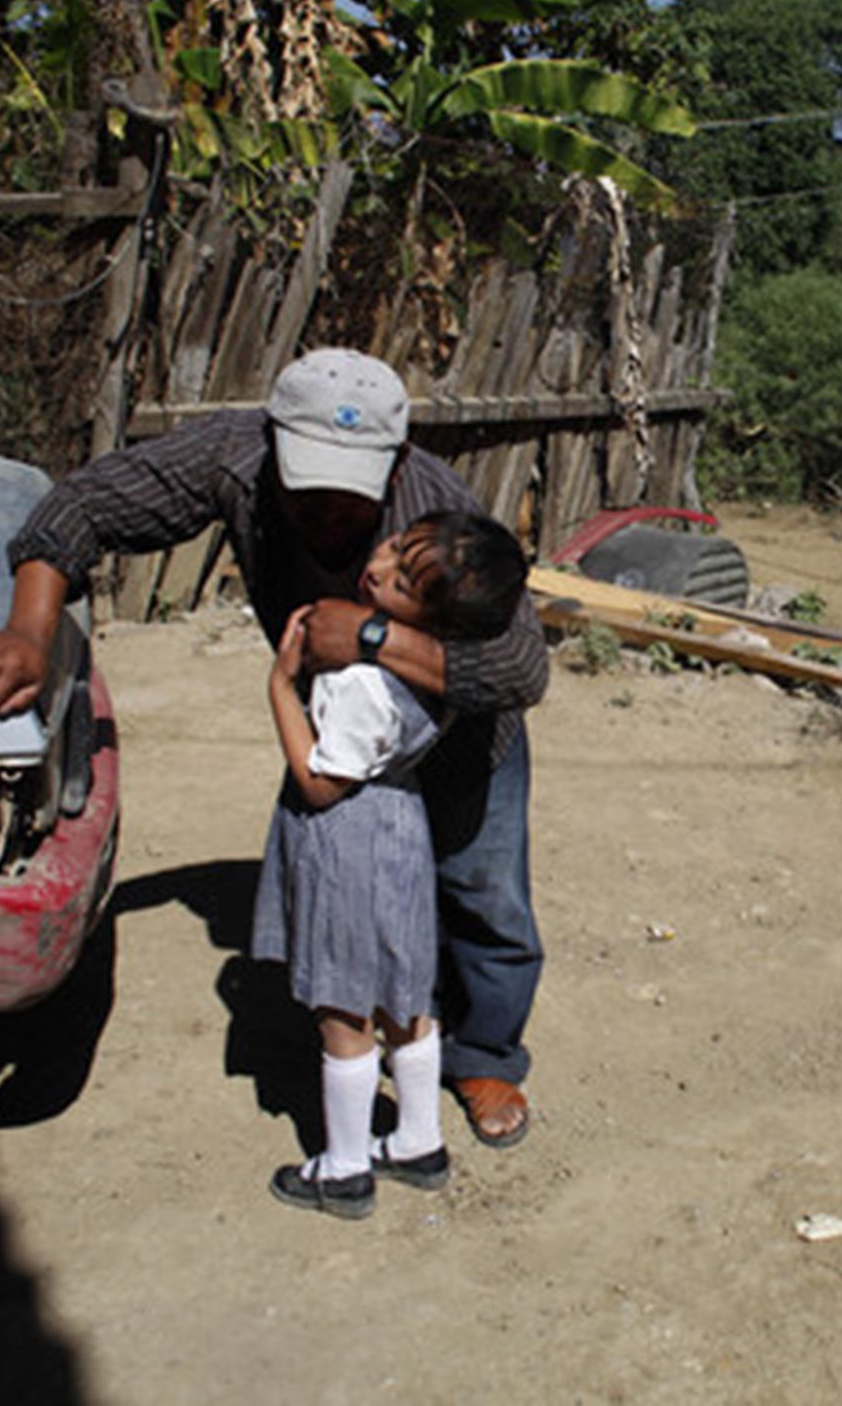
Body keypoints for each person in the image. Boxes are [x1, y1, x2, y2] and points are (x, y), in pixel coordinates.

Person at [0, 349, 548, 1148]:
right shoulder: (234, 456)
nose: (329, 517)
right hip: (343, 737)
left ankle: (486, 1053)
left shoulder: (434, 504)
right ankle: (365, 1031)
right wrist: (29, 632)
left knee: (480, 890)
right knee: (362, 890)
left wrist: (371, 635)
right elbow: (80, 509)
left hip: (461, 731)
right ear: (272, 444)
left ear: (395, 466)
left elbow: (521, 665)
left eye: (349, 499)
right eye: (310, 491)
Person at [258, 511, 528, 1220]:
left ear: (432, 617)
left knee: (343, 1006)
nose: (377, 567)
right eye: (391, 550)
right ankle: (417, 1140)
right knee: (408, 996)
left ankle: (345, 1168)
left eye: (404, 578)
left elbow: (321, 782)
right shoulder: (432, 675)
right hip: (402, 827)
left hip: (348, 836)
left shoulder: (362, 684)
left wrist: (281, 690)